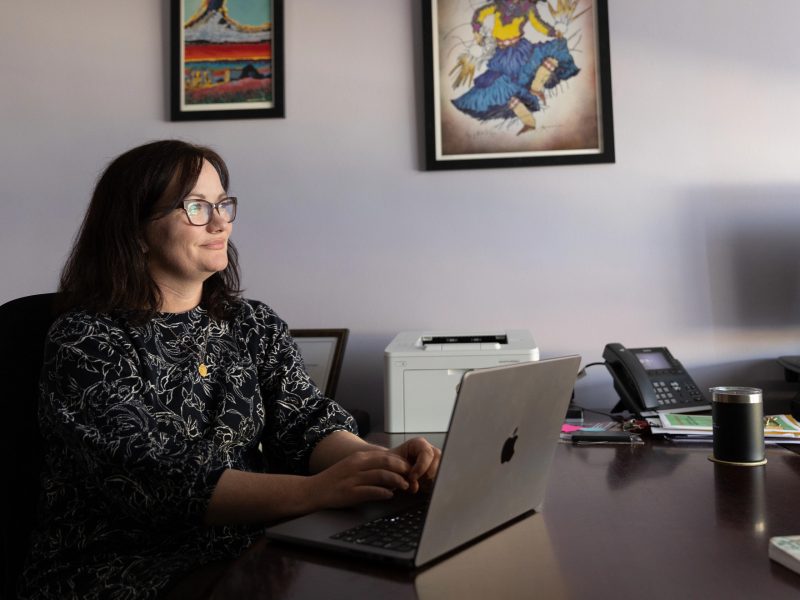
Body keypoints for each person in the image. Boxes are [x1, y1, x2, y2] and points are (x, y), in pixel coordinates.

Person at [19, 140, 441, 599]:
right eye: (196, 207)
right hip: (126, 571)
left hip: (246, 550)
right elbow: (155, 478)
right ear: (136, 230)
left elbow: (305, 423)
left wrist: (379, 464)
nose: (221, 222)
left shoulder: (252, 323)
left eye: (222, 204)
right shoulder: (86, 339)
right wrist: (316, 492)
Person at [451, 0, 580, 135]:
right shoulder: (498, 5)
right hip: (502, 56)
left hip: (520, 51)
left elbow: (538, 24)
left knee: (552, 52)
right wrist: (477, 32)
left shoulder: (528, 7)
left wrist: (553, 32)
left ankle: (536, 87)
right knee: (503, 86)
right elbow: (480, 14)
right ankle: (529, 122)